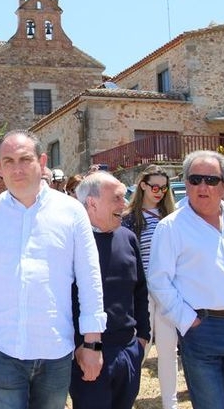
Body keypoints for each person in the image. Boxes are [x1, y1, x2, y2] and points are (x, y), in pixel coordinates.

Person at [0, 130, 107, 409]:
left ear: (42, 161)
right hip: (0, 350)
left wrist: (93, 342)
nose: (17, 168)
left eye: (25, 159)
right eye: (8, 161)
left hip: (55, 350)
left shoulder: (71, 213)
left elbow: (90, 279)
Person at [148, 150, 224, 409]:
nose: (202, 186)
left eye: (211, 180)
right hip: (203, 330)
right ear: (186, 183)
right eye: (195, 179)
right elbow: (159, 281)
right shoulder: (171, 227)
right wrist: (188, 320)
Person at [70, 172, 150, 409]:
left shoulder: (127, 237)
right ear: (92, 203)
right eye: (116, 198)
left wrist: (142, 339)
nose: (124, 204)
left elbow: (140, 289)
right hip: (88, 353)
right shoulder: (70, 242)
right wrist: (79, 347)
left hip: (127, 349)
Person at [121, 165, 178, 409]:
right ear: (142, 185)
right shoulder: (128, 219)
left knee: (168, 350)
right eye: (155, 187)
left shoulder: (173, 218)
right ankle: (124, 397)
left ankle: (170, 404)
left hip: (167, 290)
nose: (160, 192)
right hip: (141, 292)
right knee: (139, 348)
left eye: (164, 188)